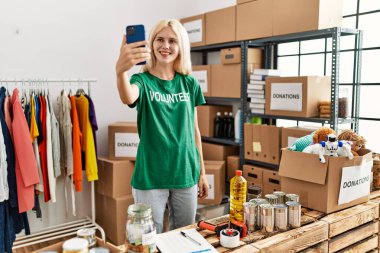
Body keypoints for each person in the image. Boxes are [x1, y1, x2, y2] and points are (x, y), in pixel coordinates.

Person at [115, 19, 209, 233]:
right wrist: (120, 72)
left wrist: (202, 172)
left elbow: (194, 131)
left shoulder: (189, 83)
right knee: (148, 239)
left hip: (185, 172)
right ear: (151, 43)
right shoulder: (142, 80)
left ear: (181, 46)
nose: (165, 46)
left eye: (172, 41)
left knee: (184, 235)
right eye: (160, 39)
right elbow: (127, 96)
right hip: (151, 176)